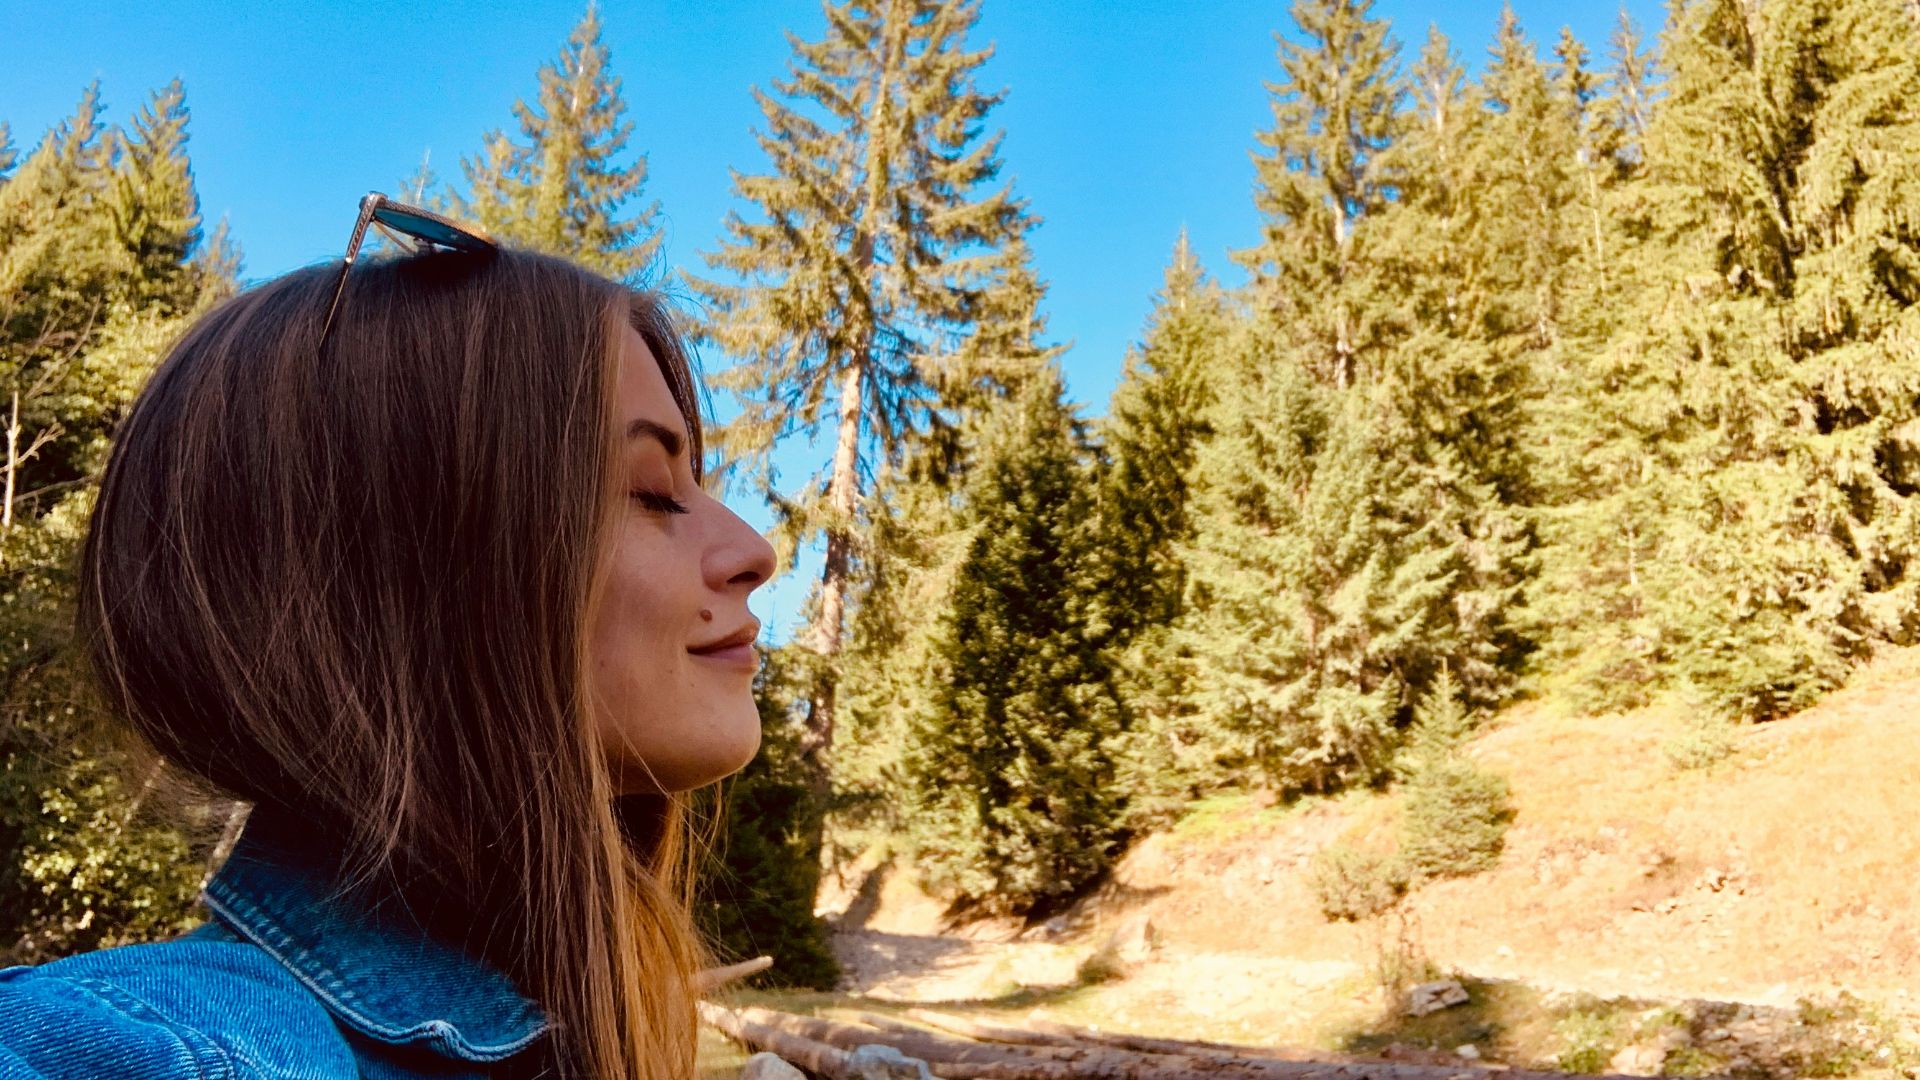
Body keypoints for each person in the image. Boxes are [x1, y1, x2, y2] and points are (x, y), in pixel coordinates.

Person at [0, 196, 778, 1079]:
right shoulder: (173, 1049)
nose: (755, 551)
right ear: (408, 571)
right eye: (649, 490)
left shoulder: (570, 1036)